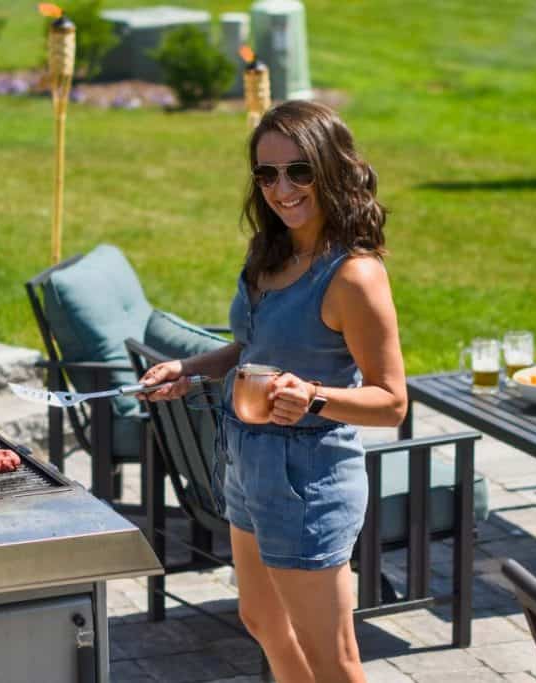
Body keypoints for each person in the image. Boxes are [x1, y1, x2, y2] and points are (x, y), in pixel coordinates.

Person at [140, 100, 406, 683]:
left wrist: (311, 395)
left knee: (332, 659)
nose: (281, 189)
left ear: (331, 169)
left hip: (307, 475)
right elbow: (254, 348)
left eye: (298, 171)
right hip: (248, 461)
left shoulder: (353, 276)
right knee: (260, 618)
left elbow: (392, 402)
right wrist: (191, 369)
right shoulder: (271, 254)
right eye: (267, 174)